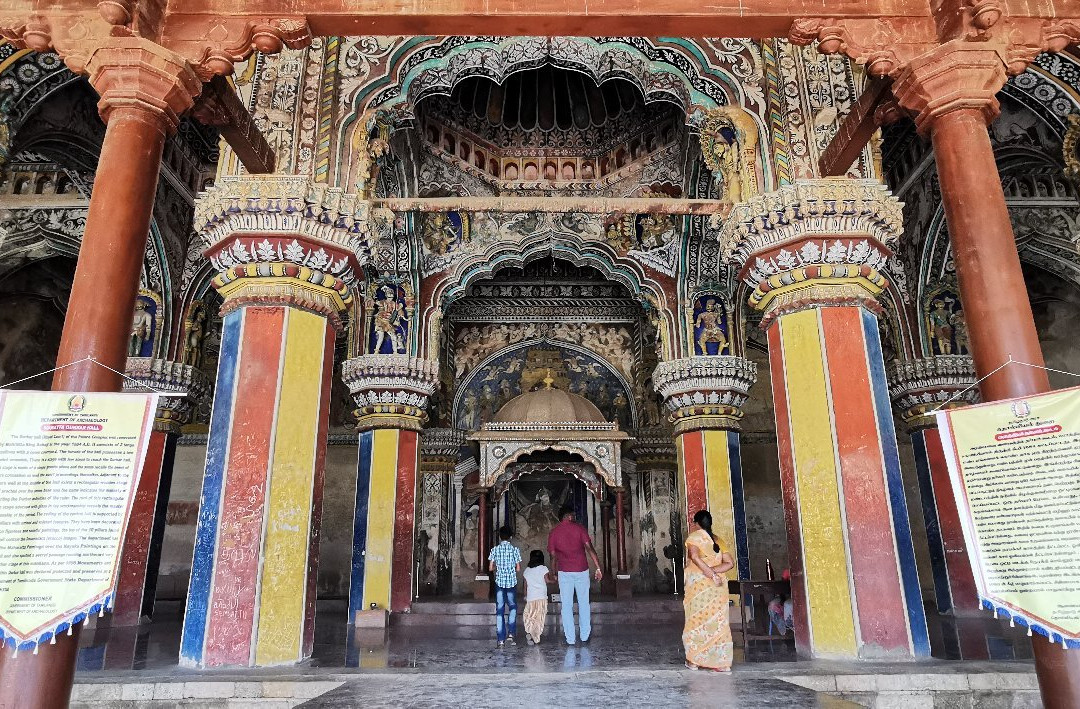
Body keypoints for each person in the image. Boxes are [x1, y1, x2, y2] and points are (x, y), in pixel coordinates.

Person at [682, 509, 735, 671]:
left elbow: (695, 557)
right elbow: (729, 563)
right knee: (718, 623)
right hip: (717, 589)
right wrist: (715, 572)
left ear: (696, 524)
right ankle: (721, 663)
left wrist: (709, 572)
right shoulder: (718, 540)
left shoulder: (694, 538)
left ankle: (694, 661)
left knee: (696, 622)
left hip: (700, 588)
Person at [547, 505, 602, 645]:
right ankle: (584, 636)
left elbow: (553, 557)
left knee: (566, 605)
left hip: (564, 572)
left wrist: (553, 573)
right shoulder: (580, 528)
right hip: (581, 570)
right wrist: (598, 568)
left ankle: (570, 639)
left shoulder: (554, 532)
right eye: (573, 515)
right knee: (584, 603)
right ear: (570, 516)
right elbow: (590, 549)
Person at [488, 526, 521, 647]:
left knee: (500, 611)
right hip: (511, 583)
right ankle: (511, 634)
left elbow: (490, 568)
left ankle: (500, 639)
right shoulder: (515, 550)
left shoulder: (495, 550)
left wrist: (498, 567)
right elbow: (518, 568)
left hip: (499, 584)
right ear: (511, 537)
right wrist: (510, 568)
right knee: (512, 607)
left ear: (500, 537)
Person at [522, 550, 551, 645]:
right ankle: (536, 638)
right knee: (539, 618)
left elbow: (525, 585)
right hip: (541, 597)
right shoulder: (543, 568)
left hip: (531, 598)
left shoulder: (527, 570)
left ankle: (529, 631)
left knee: (529, 615)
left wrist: (525, 595)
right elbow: (547, 580)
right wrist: (555, 580)